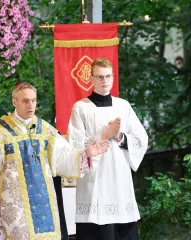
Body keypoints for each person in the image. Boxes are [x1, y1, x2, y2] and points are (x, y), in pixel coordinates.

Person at [0, 82, 110, 240]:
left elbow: (65, 156)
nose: (30, 105)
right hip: (16, 206)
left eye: (33, 100)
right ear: (14, 102)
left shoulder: (46, 130)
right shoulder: (1, 132)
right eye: (25, 101)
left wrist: (86, 154)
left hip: (44, 203)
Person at [66, 58, 149, 240]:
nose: (104, 81)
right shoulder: (81, 108)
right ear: (92, 79)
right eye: (100, 77)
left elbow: (141, 139)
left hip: (119, 180)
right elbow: (75, 144)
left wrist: (119, 136)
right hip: (94, 181)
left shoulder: (123, 106)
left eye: (108, 76)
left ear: (113, 78)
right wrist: (103, 135)